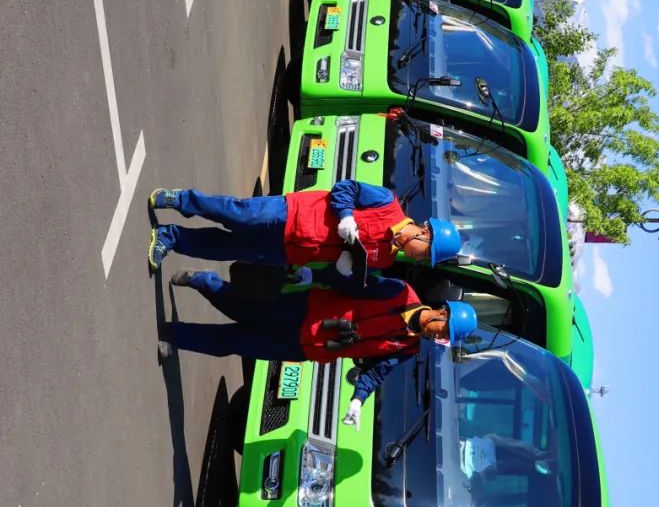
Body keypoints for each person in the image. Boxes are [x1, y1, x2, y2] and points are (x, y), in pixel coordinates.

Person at [158, 266, 477, 426]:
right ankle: (205, 281)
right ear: (441, 313)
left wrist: (358, 400)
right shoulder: (400, 293)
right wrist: (317, 274)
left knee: (234, 342)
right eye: (443, 330)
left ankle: (174, 336)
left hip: (305, 349)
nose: (437, 336)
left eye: (442, 338)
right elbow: (355, 283)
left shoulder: (407, 347)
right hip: (305, 311)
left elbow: (377, 372)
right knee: (241, 311)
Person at [147, 182, 462, 280]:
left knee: (228, 248)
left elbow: (339, 268)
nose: (419, 260)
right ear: (425, 233)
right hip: (293, 213)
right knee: (235, 212)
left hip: (290, 251)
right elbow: (345, 189)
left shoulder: (384, 260)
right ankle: (182, 200)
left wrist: (343, 266)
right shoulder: (387, 203)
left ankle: (170, 238)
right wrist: (346, 217)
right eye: (426, 255)